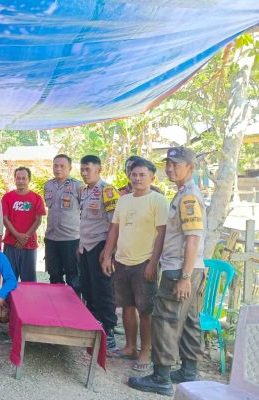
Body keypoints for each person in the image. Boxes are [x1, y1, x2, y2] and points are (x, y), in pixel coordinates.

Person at [129, 147, 206, 396]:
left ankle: (161, 377)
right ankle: (189, 371)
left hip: (180, 269)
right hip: (189, 268)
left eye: (176, 165)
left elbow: (192, 238)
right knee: (190, 321)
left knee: (165, 321)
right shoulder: (183, 193)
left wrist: (184, 277)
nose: (170, 169)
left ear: (190, 168)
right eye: (168, 164)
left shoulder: (188, 197)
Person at [101, 158, 168, 372]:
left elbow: (162, 234)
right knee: (127, 307)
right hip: (122, 261)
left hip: (144, 262)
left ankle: (145, 351)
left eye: (142, 175)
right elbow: (114, 229)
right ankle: (130, 347)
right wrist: (107, 256)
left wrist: (153, 263)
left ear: (152, 177)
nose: (137, 178)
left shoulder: (158, 201)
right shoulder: (123, 200)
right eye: (134, 174)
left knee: (145, 309)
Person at [77, 155, 119, 351]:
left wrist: (108, 253)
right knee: (87, 288)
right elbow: (84, 221)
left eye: (88, 169)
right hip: (85, 247)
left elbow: (114, 224)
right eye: (82, 170)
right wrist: (80, 245)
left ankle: (109, 332)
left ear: (99, 170)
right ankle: (93, 325)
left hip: (101, 247)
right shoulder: (84, 191)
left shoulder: (107, 190)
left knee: (103, 290)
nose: (84, 173)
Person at [43, 154, 83, 292]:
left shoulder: (78, 186)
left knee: (73, 277)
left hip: (70, 239)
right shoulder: (48, 185)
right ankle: (56, 304)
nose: (58, 169)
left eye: (62, 166)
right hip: (51, 238)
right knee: (54, 275)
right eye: (56, 166)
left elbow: (86, 212)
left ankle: (74, 304)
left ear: (70, 168)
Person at [2, 167, 46, 283]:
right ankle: (9, 296)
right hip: (11, 243)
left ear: (29, 179)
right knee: (9, 279)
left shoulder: (36, 198)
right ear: (14, 179)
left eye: (24, 178)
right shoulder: (7, 197)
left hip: (29, 244)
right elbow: (4, 218)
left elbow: (38, 220)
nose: (21, 181)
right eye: (18, 178)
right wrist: (17, 235)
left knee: (29, 281)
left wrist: (25, 237)